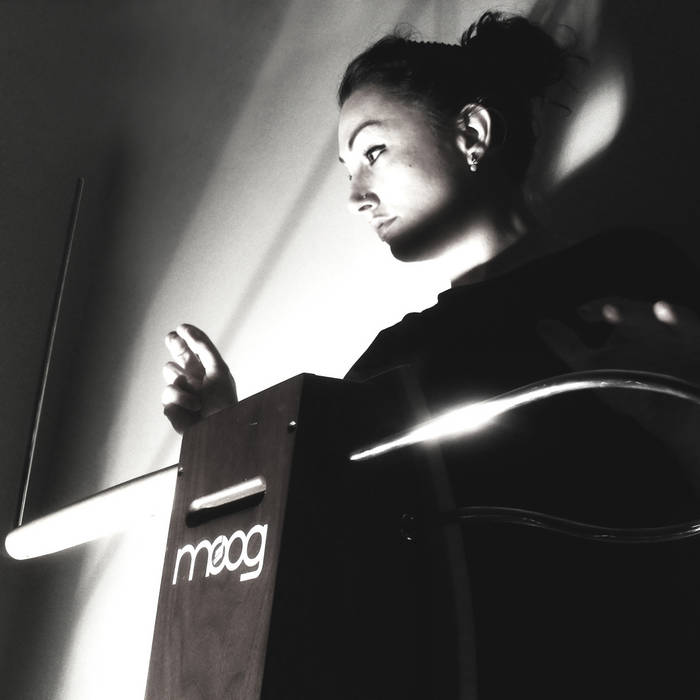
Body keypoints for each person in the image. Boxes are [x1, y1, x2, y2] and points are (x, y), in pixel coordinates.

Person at [162, 11, 700, 699]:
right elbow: (311, 537)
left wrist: (686, 407)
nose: (355, 196)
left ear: (472, 133)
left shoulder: (625, 272)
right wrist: (225, 433)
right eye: (346, 169)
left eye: (374, 151)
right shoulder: (395, 358)